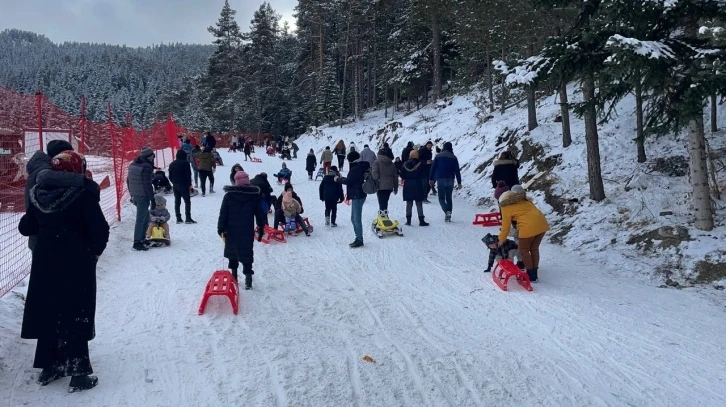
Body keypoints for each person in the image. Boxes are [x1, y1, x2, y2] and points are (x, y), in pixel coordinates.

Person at [18, 150, 109, 393]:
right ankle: (78, 373)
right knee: (75, 312)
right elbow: (99, 230)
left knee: (49, 310)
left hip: (45, 261)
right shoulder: (82, 193)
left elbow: (26, 227)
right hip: (76, 261)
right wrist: (94, 253)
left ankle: (49, 367)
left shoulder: (38, 192)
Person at [24, 140, 87, 251]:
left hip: (45, 232)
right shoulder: (43, 169)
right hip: (43, 233)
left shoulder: (46, 165)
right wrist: (83, 180)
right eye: (67, 155)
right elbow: (44, 176)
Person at [218, 171, 266, 289]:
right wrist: (260, 227)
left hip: (231, 231)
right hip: (246, 231)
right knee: (246, 254)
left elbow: (223, 213)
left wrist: (221, 228)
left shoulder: (229, 196)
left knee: (232, 253)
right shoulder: (253, 196)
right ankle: (248, 281)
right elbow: (260, 214)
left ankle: (234, 278)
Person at [498, 186, 549, 282]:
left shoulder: (506, 207)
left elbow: (505, 227)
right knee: (534, 249)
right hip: (542, 225)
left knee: (523, 250)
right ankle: (534, 275)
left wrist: (501, 239)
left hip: (528, 227)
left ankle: (530, 275)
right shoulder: (527, 201)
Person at [335, 151, 369, 248]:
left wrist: (338, 179)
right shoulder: (360, 166)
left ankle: (359, 239)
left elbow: (349, 181)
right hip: (358, 194)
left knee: (356, 219)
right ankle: (358, 238)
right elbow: (352, 179)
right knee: (354, 219)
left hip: (357, 195)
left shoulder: (356, 168)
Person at [127, 147, 156, 251]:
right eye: (153, 156)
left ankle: (142, 239)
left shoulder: (133, 164)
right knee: (140, 219)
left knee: (146, 217)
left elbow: (128, 180)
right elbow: (147, 184)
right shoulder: (147, 166)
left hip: (135, 194)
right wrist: (152, 199)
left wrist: (131, 194)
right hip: (143, 195)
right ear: (149, 157)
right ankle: (137, 242)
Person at [429, 142, 462, 222]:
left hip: (441, 179)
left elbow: (433, 168)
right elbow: (457, 171)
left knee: (441, 198)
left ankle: (447, 211)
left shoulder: (438, 156)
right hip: (451, 179)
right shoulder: (454, 157)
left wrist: (431, 179)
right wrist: (459, 182)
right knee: (449, 198)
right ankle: (449, 214)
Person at [399, 150, 429, 226]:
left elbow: (402, 175)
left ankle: (408, 220)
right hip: (418, 184)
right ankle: (421, 220)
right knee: (419, 203)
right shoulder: (420, 164)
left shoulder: (404, 164)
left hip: (408, 184)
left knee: (409, 203)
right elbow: (423, 174)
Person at [168, 149, 196, 224]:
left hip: (175, 185)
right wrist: (189, 184)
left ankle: (178, 218)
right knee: (187, 201)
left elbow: (170, 176)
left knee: (177, 202)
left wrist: (174, 182)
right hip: (184, 185)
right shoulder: (185, 163)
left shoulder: (171, 164)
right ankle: (188, 218)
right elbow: (188, 175)